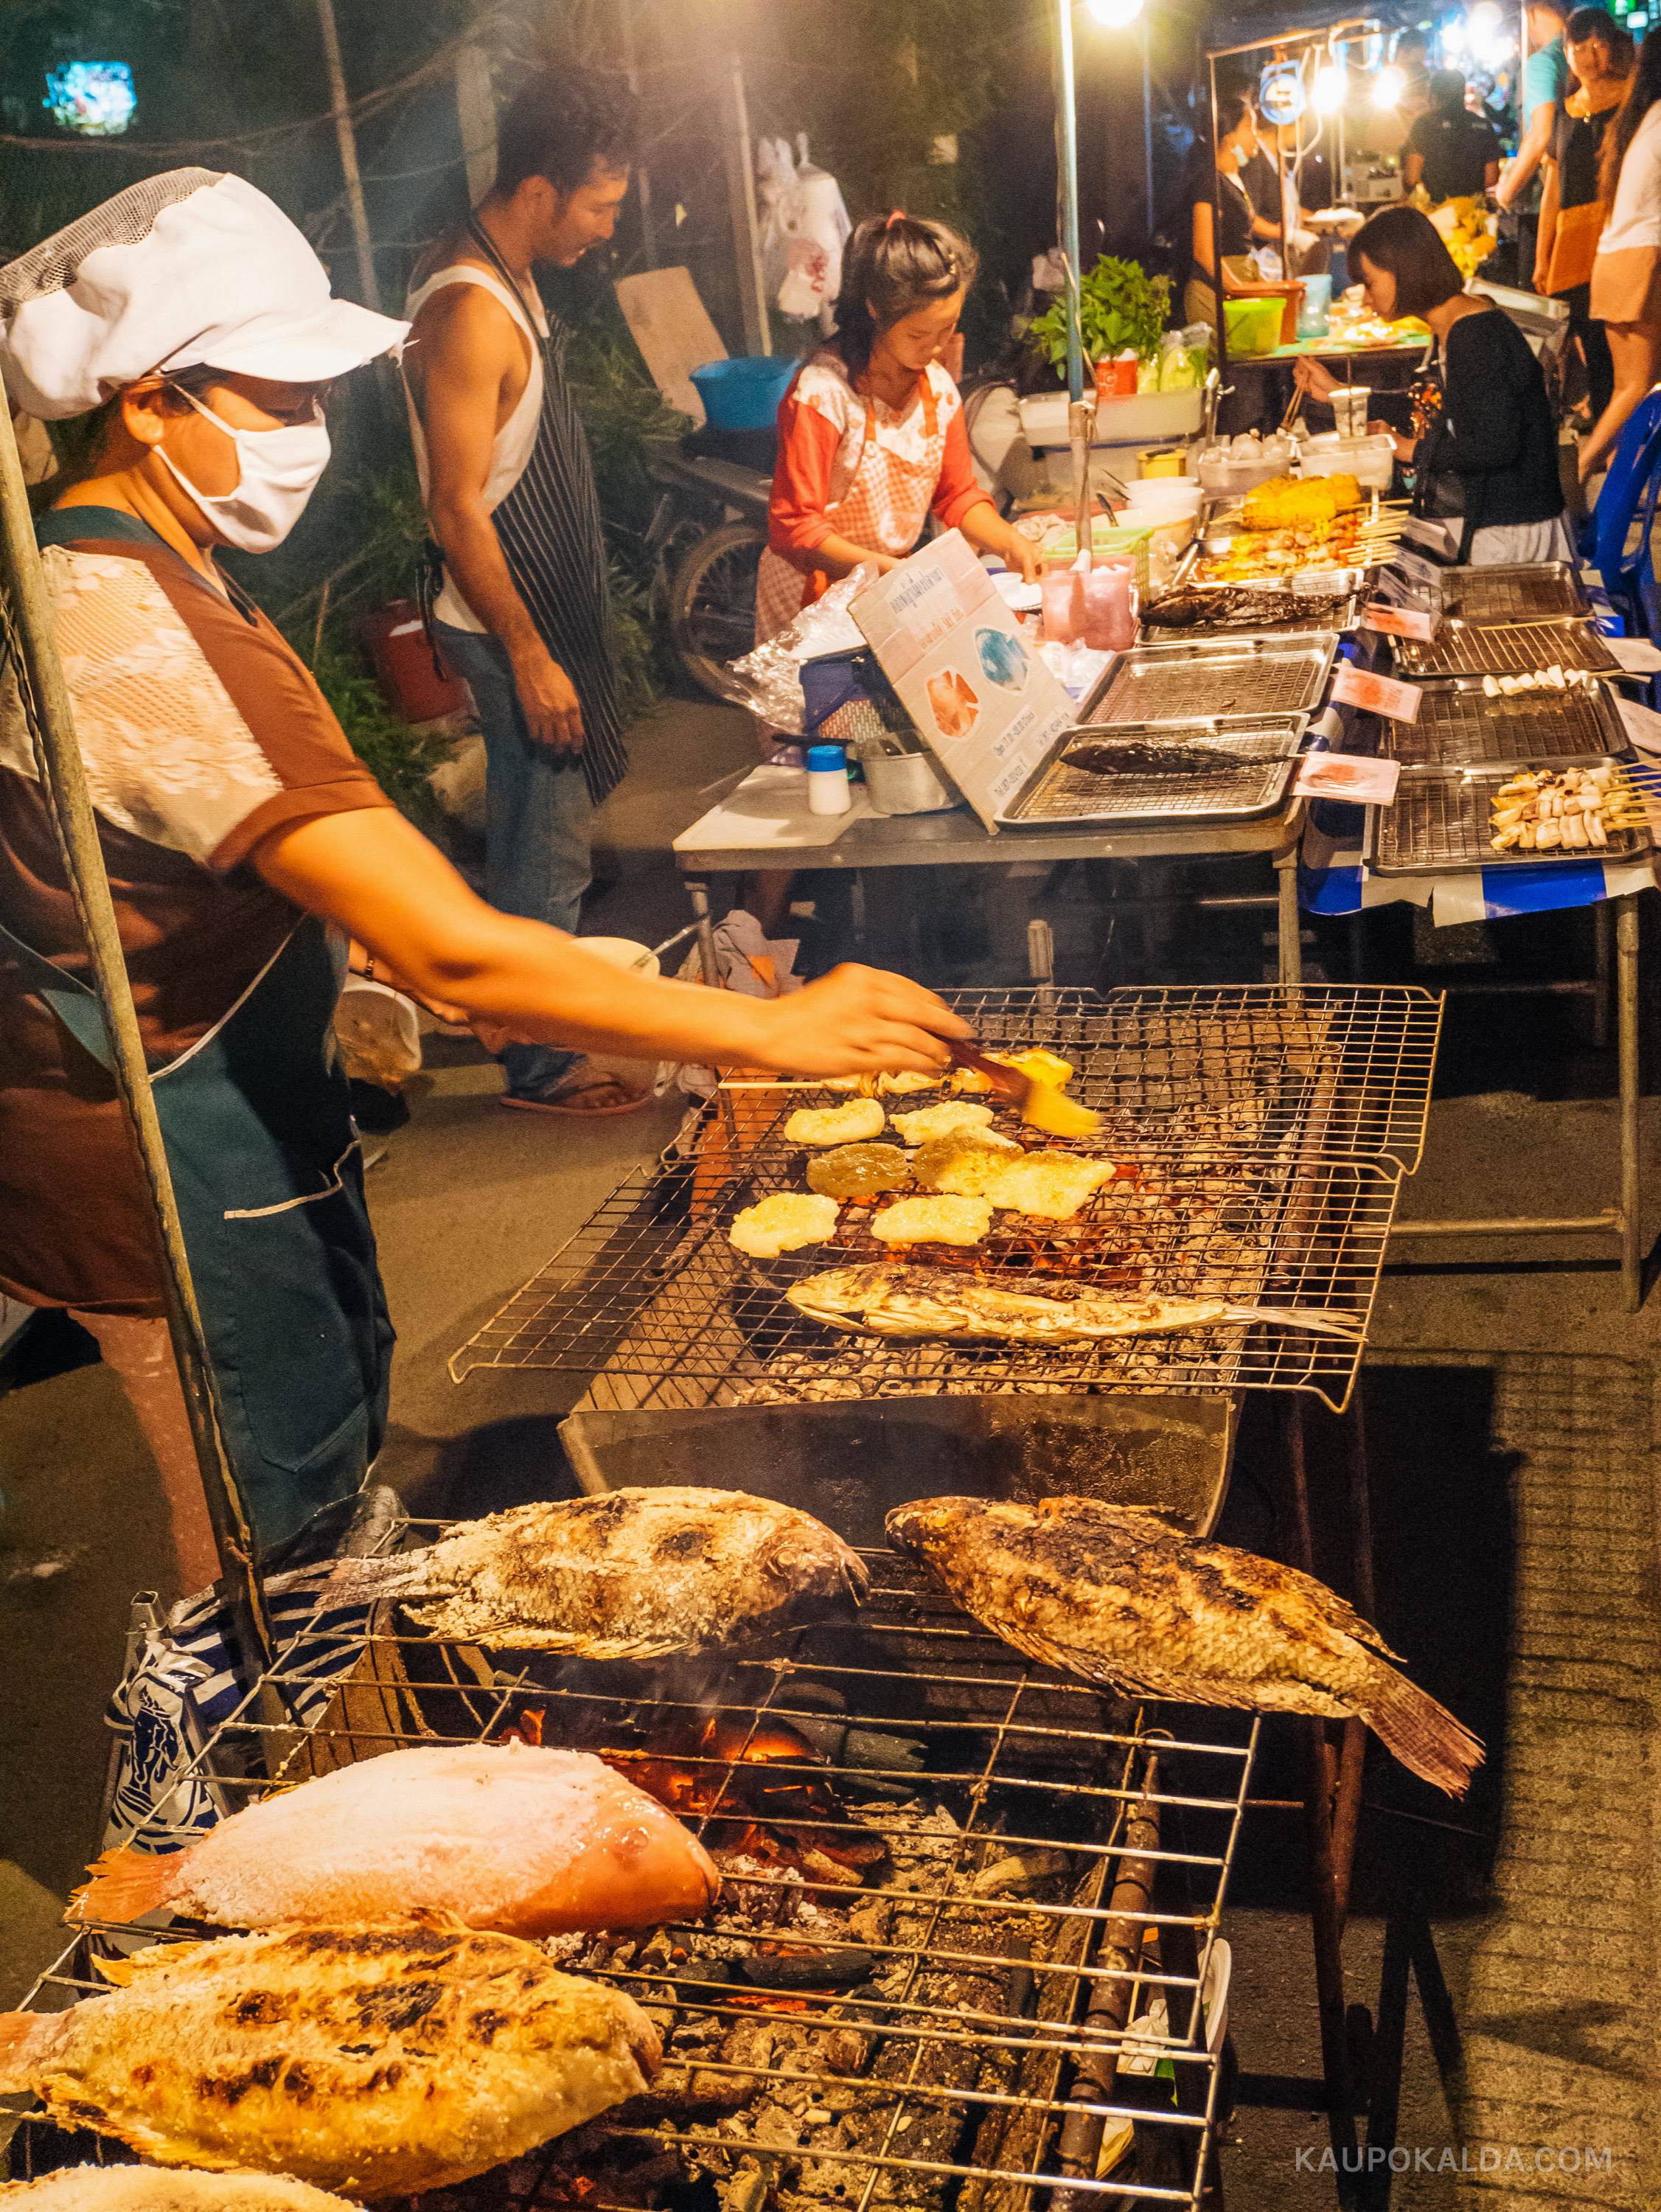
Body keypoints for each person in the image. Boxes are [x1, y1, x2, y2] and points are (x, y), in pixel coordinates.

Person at [0, 172, 968, 1594]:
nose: (313, 438)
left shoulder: (119, 563)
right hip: (164, 1165)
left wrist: (348, 967)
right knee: (262, 1562)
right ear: (148, 400)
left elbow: (152, 861)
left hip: (191, 1104)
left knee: (297, 1508)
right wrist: (775, 1028)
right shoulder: (140, 630)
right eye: (281, 398)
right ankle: (191, 1807)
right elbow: (460, 947)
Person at [403, 69, 645, 1121]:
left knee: (543, 837)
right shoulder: (468, 306)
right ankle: (540, 1066)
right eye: (598, 207)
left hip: (544, 604)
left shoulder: (512, 269)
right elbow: (456, 509)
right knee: (542, 858)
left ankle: (525, 1029)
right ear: (542, 191)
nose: (604, 229)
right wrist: (531, 652)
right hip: (506, 624)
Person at [755, 214, 1040, 639]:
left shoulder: (938, 389)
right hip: (814, 595)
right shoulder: (822, 394)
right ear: (875, 311)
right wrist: (891, 570)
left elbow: (957, 496)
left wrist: (1007, 540)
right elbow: (796, 529)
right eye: (921, 334)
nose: (938, 347)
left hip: (888, 588)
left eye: (948, 328)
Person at [1294, 206, 1569, 564]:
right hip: (1480, 521)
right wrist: (1339, 394)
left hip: (1507, 530)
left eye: (1370, 282)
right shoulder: (1451, 324)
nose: (1365, 296)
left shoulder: (1475, 336)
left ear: (1404, 272)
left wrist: (1409, 449)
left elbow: (1495, 445)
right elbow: (1431, 404)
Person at [1536, 8, 1635, 428]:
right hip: (1575, 244)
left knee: (1625, 338)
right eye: (1580, 46)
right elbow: (1553, 191)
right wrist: (1543, 257)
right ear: (1567, 51)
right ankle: (1603, 427)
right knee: (1589, 340)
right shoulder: (1564, 110)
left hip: (1619, 236)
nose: (1591, 55)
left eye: (1599, 44)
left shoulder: (1635, 101)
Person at [1583, 27, 1661, 479]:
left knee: (1624, 389)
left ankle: (1617, 483)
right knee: (1641, 386)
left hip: (1612, 259)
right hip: (1640, 262)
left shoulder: (1639, 118)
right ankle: (1580, 467)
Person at [1180, 94, 1287, 330]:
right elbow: (1203, 252)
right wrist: (1240, 289)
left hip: (1237, 288)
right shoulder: (1209, 183)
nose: (1257, 135)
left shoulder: (1235, 180)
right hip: (1213, 297)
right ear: (1230, 137)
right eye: (1251, 127)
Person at [1497, 0, 1571, 276]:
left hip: (1543, 206)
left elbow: (1542, 132)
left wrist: (1507, 191)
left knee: (1541, 307)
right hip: (1584, 200)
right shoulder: (1581, 55)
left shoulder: (1543, 62)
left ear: (1531, 12)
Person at [1404, 72, 1504, 204]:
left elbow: (1412, 177)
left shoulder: (1423, 124)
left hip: (1434, 211)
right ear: (1463, 94)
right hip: (1472, 212)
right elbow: (1491, 178)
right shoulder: (1484, 126)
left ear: (1433, 96)